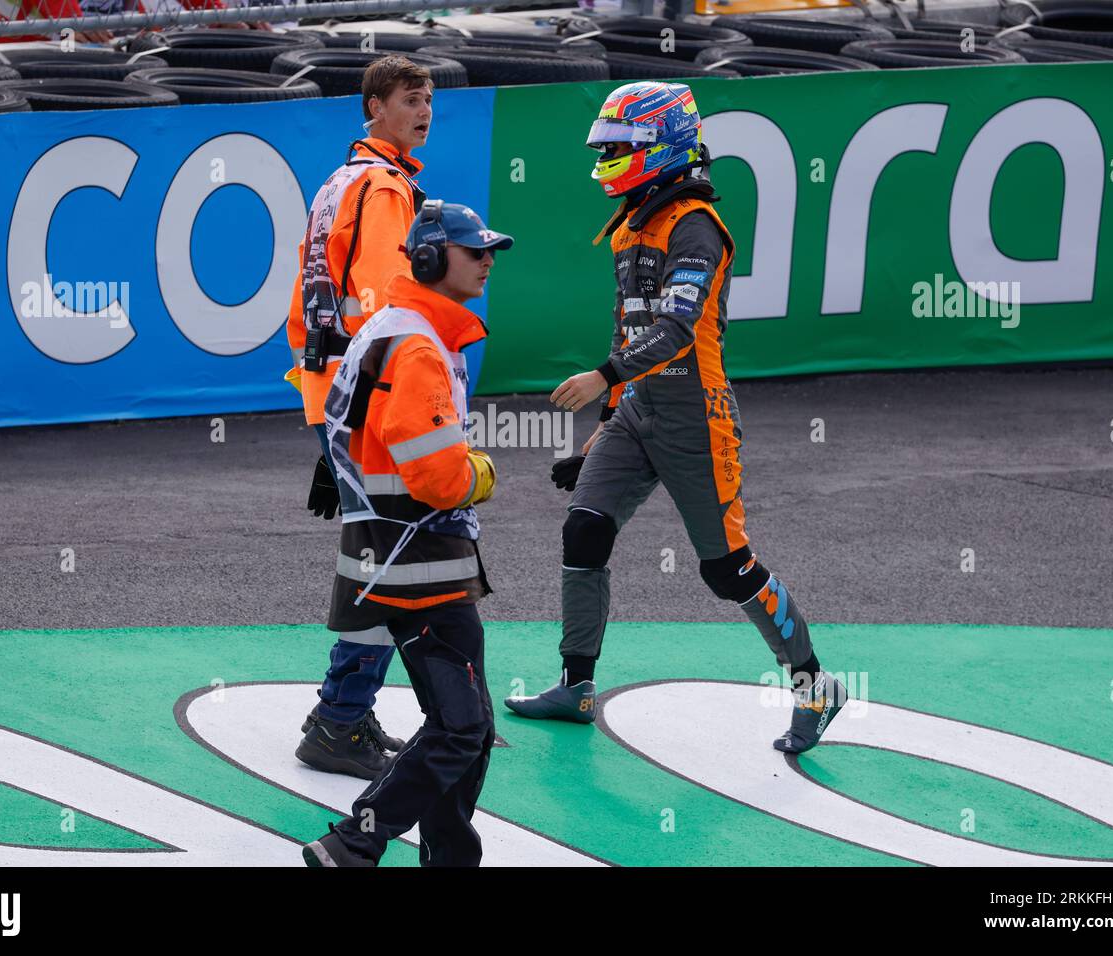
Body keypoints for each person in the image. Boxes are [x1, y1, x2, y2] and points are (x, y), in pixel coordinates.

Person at [503, 81, 848, 754]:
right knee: (584, 531)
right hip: (638, 409)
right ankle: (576, 687)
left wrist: (604, 377)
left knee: (726, 570)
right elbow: (626, 329)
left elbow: (676, 332)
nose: (607, 161)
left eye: (620, 148)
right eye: (605, 149)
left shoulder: (695, 226)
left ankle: (816, 685)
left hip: (697, 415)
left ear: (661, 147)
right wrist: (602, 428)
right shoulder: (634, 222)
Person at [302, 201, 512, 868]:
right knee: (462, 728)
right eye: (472, 249)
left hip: (399, 560)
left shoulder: (396, 330)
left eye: (489, 250)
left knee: (468, 730)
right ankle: (355, 841)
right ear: (428, 259)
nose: (487, 259)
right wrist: (480, 473)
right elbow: (437, 478)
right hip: (418, 565)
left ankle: (447, 856)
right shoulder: (418, 345)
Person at [284, 55, 434, 780]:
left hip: (331, 386)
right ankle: (340, 718)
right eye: (410, 98)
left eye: (429, 98)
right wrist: (381, 406)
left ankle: (345, 712)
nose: (425, 109)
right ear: (374, 107)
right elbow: (384, 307)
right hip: (363, 392)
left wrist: (329, 427)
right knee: (391, 557)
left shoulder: (342, 178)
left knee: (376, 551)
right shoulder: (382, 187)